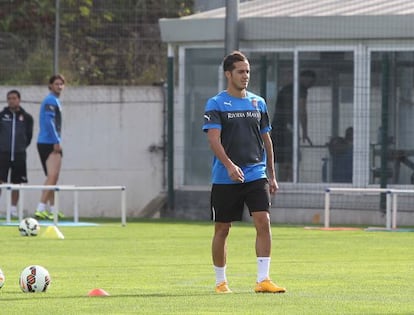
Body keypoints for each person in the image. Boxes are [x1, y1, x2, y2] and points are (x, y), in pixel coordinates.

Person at [202, 51, 286, 294]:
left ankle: (263, 280)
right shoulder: (216, 104)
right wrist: (229, 166)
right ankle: (221, 282)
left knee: (263, 221)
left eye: (248, 71)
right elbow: (214, 140)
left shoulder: (258, 102)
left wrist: (271, 174)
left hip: (255, 173)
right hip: (225, 176)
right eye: (240, 71)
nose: (245, 76)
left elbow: (266, 140)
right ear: (228, 74)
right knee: (223, 228)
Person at [270, 70, 316, 181]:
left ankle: (282, 182)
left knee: (282, 159)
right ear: (305, 79)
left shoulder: (286, 88)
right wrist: (304, 131)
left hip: (277, 127)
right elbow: (302, 110)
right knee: (290, 158)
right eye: (311, 82)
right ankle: (289, 181)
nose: (311, 85)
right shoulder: (301, 89)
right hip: (286, 127)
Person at [34, 74, 66, 220]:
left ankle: (53, 210)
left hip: (46, 141)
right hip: (49, 142)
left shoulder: (55, 100)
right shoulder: (50, 100)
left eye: (61, 84)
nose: (59, 86)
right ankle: (40, 208)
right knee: (53, 176)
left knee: (52, 177)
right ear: (50, 85)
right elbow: (48, 121)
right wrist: (56, 140)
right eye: (56, 84)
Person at [0, 90, 34, 217]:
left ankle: (13, 209)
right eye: (9, 98)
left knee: (17, 182)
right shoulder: (2, 116)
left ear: (19, 100)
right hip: (3, 154)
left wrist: (20, 147)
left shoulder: (27, 117)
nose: (11, 100)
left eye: (14, 98)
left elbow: (29, 136)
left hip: (19, 154)